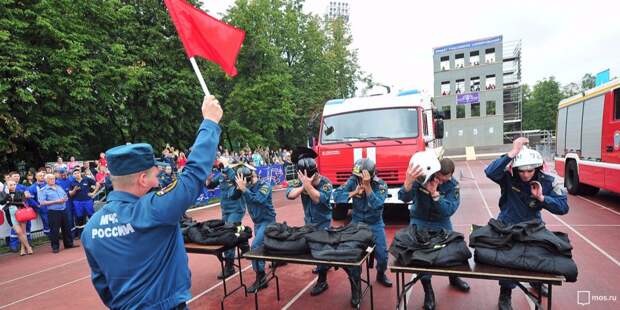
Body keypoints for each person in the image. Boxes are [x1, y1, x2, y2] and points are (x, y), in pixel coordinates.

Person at [81, 95, 222, 309]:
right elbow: (193, 174)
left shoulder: (90, 228)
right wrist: (210, 123)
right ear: (142, 179)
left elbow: (102, 283)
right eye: (154, 173)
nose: (159, 178)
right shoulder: (153, 209)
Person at [485, 137, 569, 310]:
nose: (525, 174)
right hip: (508, 224)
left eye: (530, 171)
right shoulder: (508, 177)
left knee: (538, 256)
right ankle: (505, 293)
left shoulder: (548, 181)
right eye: (521, 170)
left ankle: (536, 281)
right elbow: (490, 172)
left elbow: (563, 207)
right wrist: (513, 152)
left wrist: (542, 198)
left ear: (537, 168)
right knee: (507, 260)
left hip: (533, 225)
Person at [399, 153, 469, 310]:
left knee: (453, 251)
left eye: (446, 178)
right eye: (440, 177)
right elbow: (404, 198)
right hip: (420, 220)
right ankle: (428, 290)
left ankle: (454, 277)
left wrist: (435, 194)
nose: (442, 180)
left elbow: (448, 210)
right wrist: (408, 184)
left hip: (441, 221)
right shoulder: (422, 177)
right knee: (422, 257)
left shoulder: (452, 185)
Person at [334, 158, 392, 307]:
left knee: (383, 255)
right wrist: (353, 192)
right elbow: (337, 196)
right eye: (358, 176)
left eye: (363, 177)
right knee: (353, 256)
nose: (359, 179)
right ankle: (356, 288)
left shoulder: (381, 185)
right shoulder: (353, 180)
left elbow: (377, 205)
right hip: (357, 222)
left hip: (375, 223)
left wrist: (367, 188)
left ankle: (380, 274)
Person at [286, 147, 333, 296]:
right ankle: (323, 265)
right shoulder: (301, 182)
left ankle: (322, 280)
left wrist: (308, 185)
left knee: (320, 250)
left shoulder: (326, 182)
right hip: (309, 222)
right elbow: (290, 195)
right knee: (312, 249)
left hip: (323, 223)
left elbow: (318, 198)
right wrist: (303, 185)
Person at [235, 164, 276, 293]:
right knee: (260, 248)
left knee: (255, 247)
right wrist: (238, 187)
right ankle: (261, 274)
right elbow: (232, 195)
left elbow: (258, 199)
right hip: (257, 222)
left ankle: (261, 276)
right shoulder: (246, 187)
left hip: (267, 221)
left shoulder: (265, 186)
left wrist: (244, 189)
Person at [206, 158, 246, 279]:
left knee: (228, 233)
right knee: (236, 229)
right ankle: (244, 245)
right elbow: (211, 185)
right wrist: (207, 179)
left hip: (236, 209)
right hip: (225, 209)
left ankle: (229, 266)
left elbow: (237, 181)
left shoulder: (235, 173)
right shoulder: (222, 176)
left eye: (223, 166)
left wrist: (227, 167)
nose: (221, 168)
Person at [39, 174, 75, 253]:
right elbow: (42, 202)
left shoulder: (59, 187)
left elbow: (65, 195)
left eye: (53, 178)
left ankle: (69, 244)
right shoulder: (43, 190)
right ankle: (55, 247)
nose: (53, 180)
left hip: (63, 209)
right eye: (50, 179)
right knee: (54, 230)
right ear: (46, 180)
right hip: (53, 212)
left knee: (66, 227)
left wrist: (65, 199)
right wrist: (56, 201)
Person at [1, 180, 34, 256]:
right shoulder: (5, 194)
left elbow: (23, 202)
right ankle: (28, 247)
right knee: (19, 232)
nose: (13, 186)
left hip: (21, 214)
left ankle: (23, 249)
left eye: (14, 184)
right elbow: (2, 202)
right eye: (10, 185)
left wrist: (11, 202)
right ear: (7, 186)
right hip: (11, 215)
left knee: (23, 232)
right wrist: (6, 195)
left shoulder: (20, 192)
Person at [69, 168, 100, 236]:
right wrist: (74, 190)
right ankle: (81, 234)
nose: (77, 174)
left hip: (87, 201)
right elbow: (70, 194)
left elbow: (97, 184)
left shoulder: (86, 179)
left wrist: (93, 193)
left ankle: (95, 231)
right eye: (75, 174)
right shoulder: (72, 182)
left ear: (80, 173)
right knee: (79, 217)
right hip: (77, 202)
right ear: (73, 175)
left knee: (91, 216)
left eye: (78, 173)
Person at [28, 171, 50, 236]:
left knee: (54, 221)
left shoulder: (48, 184)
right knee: (46, 221)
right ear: (36, 177)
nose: (42, 176)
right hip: (42, 207)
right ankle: (48, 234)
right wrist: (37, 205)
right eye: (40, 175)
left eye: (43, 175)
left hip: (52, 205)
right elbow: (30, 198)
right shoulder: (32, 187)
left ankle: (55, 234)